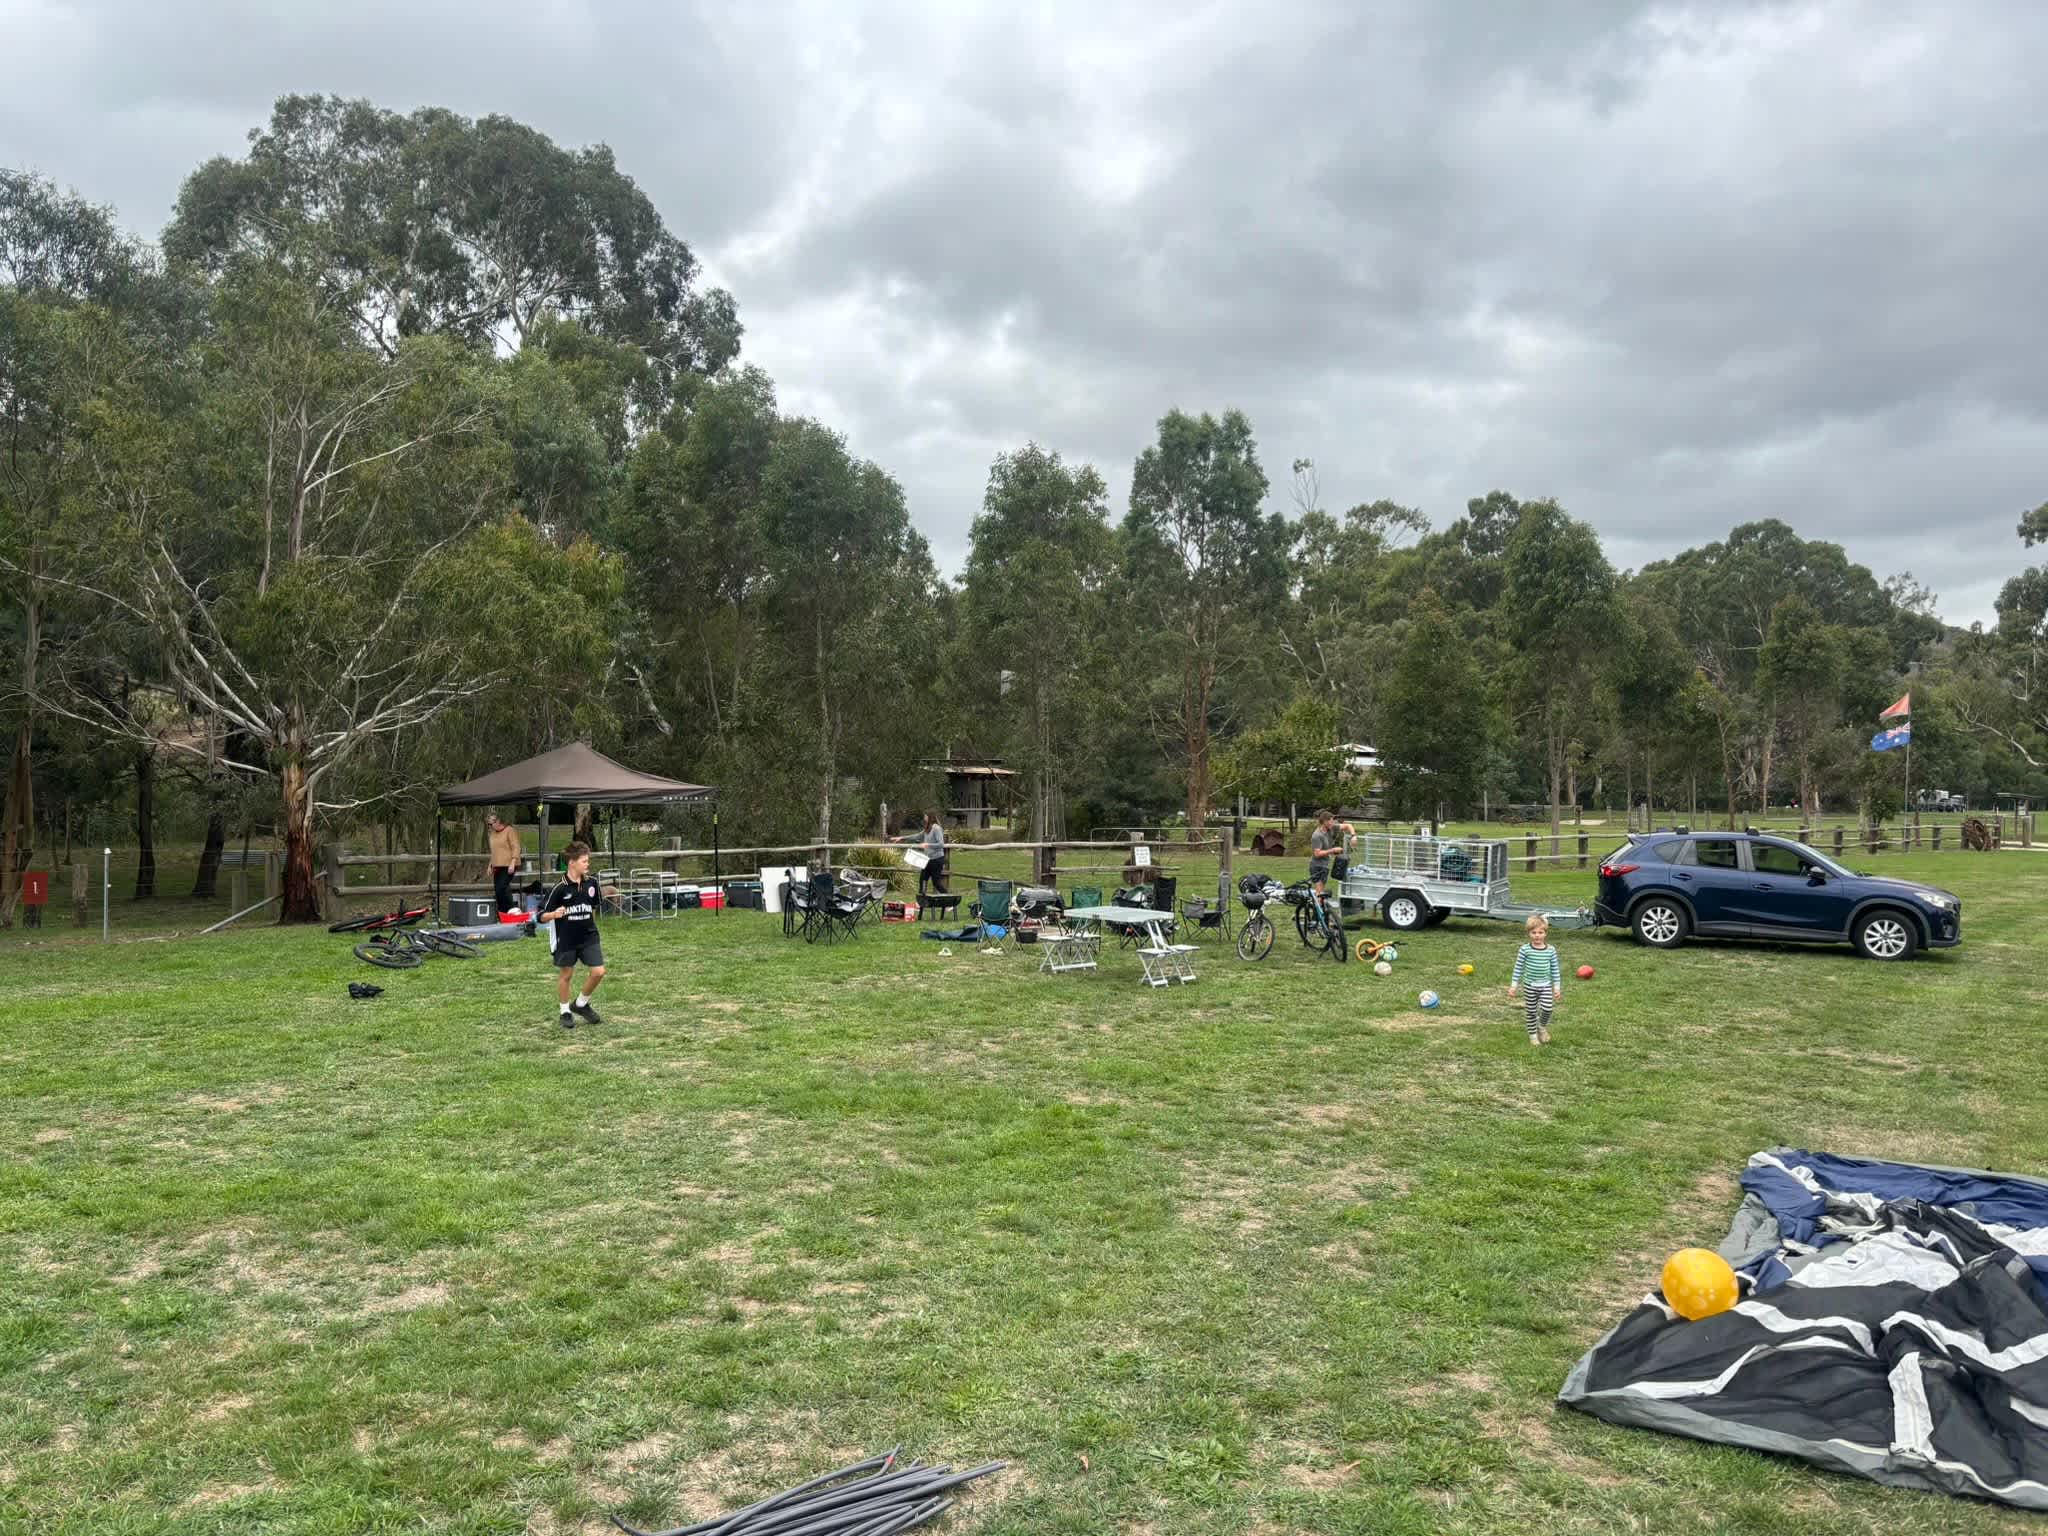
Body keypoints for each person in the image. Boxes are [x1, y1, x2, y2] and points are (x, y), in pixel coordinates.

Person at [538, 841, 606, 1029]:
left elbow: (593, 908)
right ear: (572, 863)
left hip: (589, 936)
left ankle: (581, 1004)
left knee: (598, 972)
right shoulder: (559, 888)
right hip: (566, 939)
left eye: (587, 861)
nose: (587, 864)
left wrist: (589, 926)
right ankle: (565, 1011)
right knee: (566, 974)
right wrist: (554, 915)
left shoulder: (592, 883)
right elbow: (540, 916)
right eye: (584, 861)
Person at [1508, 914, 1563, 1046]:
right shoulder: (1524, 950)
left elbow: (1555, 970)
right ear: (1529, 933)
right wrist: (1513, 986)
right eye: (1534, 932)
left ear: (1545, 933)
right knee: (1531, 1012)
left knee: (1547, 1009)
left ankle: (1542, 1027)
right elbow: (1518, 969)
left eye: (1540, 932)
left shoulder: (1550, 950)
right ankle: (1533, 1036)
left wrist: (1556, 987)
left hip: (1545, 986)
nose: (1537, 935)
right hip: (1530, 986)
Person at [1307, 809, 1355, 918]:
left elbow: (1348, 826)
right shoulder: (1317, 835)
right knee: (1319, 893)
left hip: (1324, 865)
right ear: (1325, 821)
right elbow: (1317, 854)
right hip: (1316, 866)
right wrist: (1332, 850)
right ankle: (1317, 917)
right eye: (1332, 821)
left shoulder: (1331, 828)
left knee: (1321, 893)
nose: (1333, 823)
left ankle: (1315, 913)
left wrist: (1353, 836)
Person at [896, 811, 947, 900]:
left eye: (925, 816)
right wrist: (902, 838)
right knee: (923, 880)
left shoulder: (936, 828)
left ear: (930, 817)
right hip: (927, 860)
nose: (924, 818)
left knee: (936, 883)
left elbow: (941, 844)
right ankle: (921, 902)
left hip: (937, 860)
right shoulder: (927, 828)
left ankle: (950, 901)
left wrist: (928, 845)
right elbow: (917, 836)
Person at [486, 812, 522, 915]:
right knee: (498, 891)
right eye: (488, 824)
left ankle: (512, 911)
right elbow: (494, 851)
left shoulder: (509, 830)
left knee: (502, 888)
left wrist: (513, 862)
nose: (489, 826)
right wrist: (490, 865)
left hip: (508, 865)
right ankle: (502, 913)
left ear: (497, 821)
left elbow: (516, 847)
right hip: (497, 866)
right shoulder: (492, 834)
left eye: (491, 824)